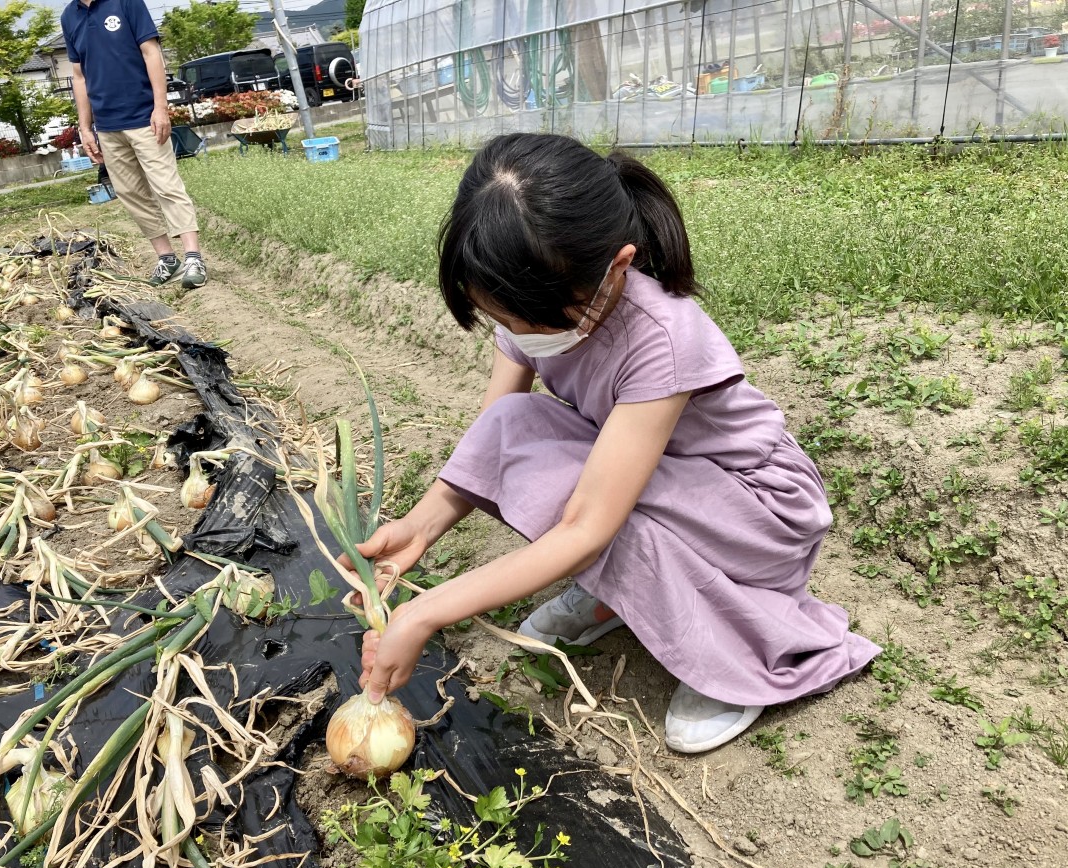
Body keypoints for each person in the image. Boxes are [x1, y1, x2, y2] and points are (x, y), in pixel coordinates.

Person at [348, 133, 881, 754]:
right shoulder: (535, 297)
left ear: (618, 267)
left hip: (758, 510)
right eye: (500, 318)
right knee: (517, 429)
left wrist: (425, 611)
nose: (517, 333)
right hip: (674, 485)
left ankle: (730, 660)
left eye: (530, 321)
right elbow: (496, 436)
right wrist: (417, 529)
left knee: (599, 515)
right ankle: (617, 597)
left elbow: (587, 526)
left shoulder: (663, 337)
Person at [61, 0, 207, 289]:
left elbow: (151, 52)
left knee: (166, 185)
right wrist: (85, 128)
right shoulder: (69, 16)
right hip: (107, 126)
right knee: (130, 193)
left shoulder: (126, 2)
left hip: (144, 117)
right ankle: (167, 258)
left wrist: (160, 107)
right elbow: (79, 76)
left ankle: (193, 257)